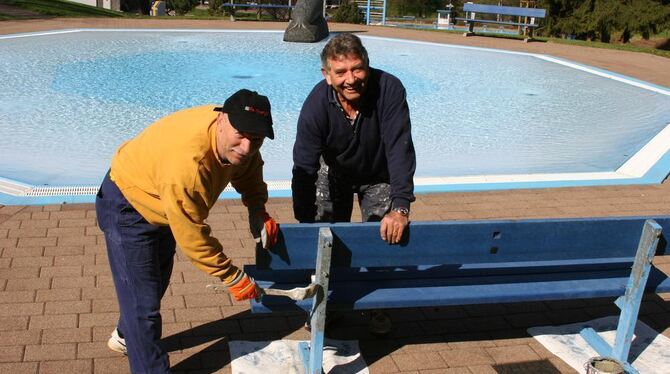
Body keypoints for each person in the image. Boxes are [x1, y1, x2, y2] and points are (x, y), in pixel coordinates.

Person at [95, 89, 278, 373]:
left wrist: (257, 210)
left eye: (255, 140)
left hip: (161, 201)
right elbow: (192, 236)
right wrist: (232, 277)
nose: (245, 146)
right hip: (127, 202)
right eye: (240, 136)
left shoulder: (241, 141)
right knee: (143, 307)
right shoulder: (189, 166)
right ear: (221, 120)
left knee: (153, 282)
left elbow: (250, 170)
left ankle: (125, 335)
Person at [291, 33, 416, 334]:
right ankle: (327, 306)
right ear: (326, 75)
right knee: (326, 243)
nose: (351, 79)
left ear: (368, 66)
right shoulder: (316, 105)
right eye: (341, 72)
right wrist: (305, 220)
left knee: (382, 239)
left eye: (357, 69)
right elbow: (304, 166)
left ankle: (377, 306)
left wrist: (400, 206)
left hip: (378, 175)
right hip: (334, 174)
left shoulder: (389, 89)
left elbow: (399, 148)